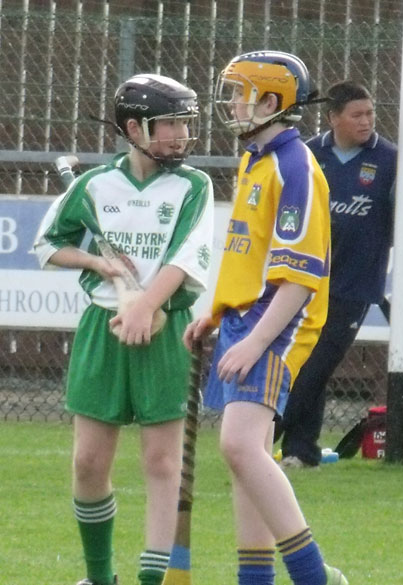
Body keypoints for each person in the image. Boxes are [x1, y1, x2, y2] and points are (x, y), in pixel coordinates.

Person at [34, 73, 214, 585]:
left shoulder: (192, 185)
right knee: (89, 463)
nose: (182, 135)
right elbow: (49, 245)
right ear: (134, 128)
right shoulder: (93, 186)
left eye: (186, 123)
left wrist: (146, 305)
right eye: (170, 124)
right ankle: (99, 576)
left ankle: (151, 580)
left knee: (161, 462)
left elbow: (187, 258)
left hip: (167, 328)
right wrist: (102, 265)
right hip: (102, 326)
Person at [184, 51, 347, 585]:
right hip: (245, 319)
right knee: (245, 456)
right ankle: (256, 580)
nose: (231, 103)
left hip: (278, 324)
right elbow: (250, 255)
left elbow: (300, 276)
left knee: (238, 446)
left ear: (271, 102)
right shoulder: (255, 157)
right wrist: (216, 310)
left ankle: (313, 576)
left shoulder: (293, 165)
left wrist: (256, 341)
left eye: (239, 93)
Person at [275, 80, 397, 468]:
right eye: (357, 115)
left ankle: (268, 433)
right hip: (307, 279)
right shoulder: (309, 155)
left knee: (317, 366)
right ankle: (301, 450)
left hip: (356, 284)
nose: (366, 122)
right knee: (306, 363)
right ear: (333, 118)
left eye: (370, 113)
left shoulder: (389, 160)